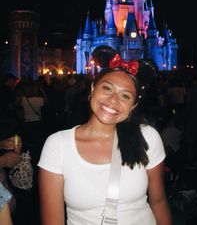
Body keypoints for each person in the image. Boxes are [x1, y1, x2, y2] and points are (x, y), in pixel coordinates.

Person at [38, 54, 172, 225]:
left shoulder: (148, 138)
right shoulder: (58, 145)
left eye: (125, 96)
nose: (113, 100)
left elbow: (158, 201)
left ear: (133, 106)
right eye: (107, 88)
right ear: (93, 89)